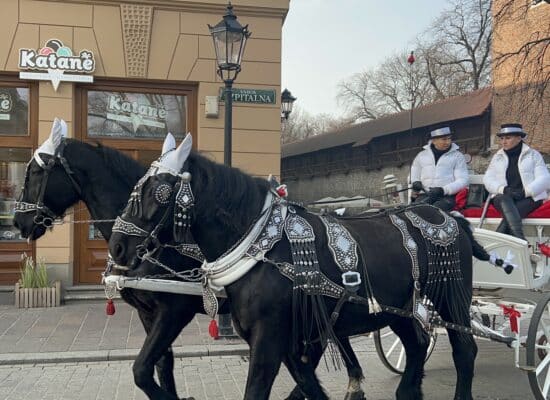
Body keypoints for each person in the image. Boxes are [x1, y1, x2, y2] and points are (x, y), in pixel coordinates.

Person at [483, 123, 550, 240]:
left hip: (529, 197)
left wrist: (526, 192)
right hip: (503, 196)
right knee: (505, 200)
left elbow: (544, 178)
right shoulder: (497, 157)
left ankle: (500, 241)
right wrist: (503, 189)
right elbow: (488, 179)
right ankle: (520, 239)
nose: (503, 142)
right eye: (502, 138)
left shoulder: (534, 155)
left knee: (512, 214)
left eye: (508, 138)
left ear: (519, 138)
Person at [410, 126, 469, 211]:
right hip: (425, 194)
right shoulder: (421, 155)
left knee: (436, 212)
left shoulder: (457, 156)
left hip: (447, 196)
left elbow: (463, 180)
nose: (448, 142)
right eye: (444, 139)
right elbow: (414, 173)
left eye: (449, 138)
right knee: (416, 210)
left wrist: (443, 190)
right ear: (434, 141)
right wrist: (415, 181)